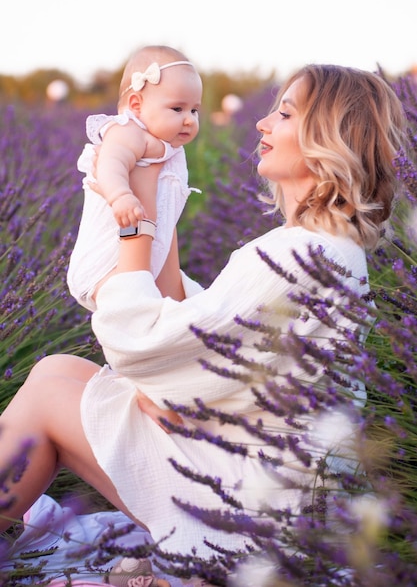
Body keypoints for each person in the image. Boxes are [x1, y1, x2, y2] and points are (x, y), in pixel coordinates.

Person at [0, 65, 405, 583]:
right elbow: (194, 329)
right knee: (58, 370)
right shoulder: (319, 248)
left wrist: (132, 232)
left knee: (48, 393)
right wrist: (154, 198)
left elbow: (147, 345)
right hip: (274, 494)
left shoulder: (302, 255)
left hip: (253, 522)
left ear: (329, 137)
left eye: (283, 113)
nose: (260, 123)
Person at [67, 45, 203, 310]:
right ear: (136, 106)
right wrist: (120, 196)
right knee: (132, 312)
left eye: (194, 110)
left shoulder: (165, 144)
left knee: (165, 314)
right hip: (103, 263)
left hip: (144, 259)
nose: (189, 120)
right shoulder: (128, 131)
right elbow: (110, 163)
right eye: (177, 109)